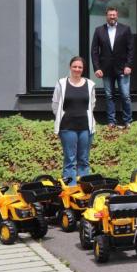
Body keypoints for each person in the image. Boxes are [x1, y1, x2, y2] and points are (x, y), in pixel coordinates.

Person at [52, 56, 97, 186]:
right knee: (70, 160)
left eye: (80, 67)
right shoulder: (61, 83)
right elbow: (55, 104)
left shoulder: (90, 84)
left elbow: (92, 104)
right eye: (75, 66)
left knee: (84, 160)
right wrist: (61, 118)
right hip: (67, 127)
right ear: (70, 67)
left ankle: (84, 188)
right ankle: (70, 190)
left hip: (86, 127)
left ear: (83, 69)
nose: (77, 69)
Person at [91, 6, 134, 128]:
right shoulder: (99, 30)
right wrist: (97, 68)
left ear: (117, 15)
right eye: (110, 15)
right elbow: (94, 51)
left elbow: (131, 49)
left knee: (125, 96)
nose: (112, 17)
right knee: (109, 96)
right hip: (106, 69)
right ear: (106, 16)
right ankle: (111, 122)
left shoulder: (125, 29)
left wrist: (128, 65)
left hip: (123, 69)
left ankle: (128, 121)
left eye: (114, 15)